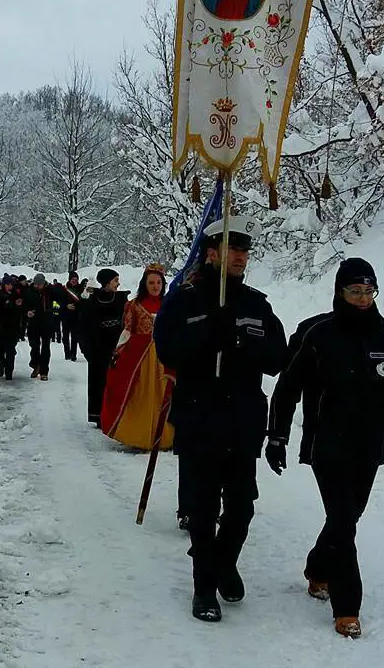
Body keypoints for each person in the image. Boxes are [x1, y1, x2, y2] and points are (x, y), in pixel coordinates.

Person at [266, 258, 384, 639]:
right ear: (340, 292)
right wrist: (277, 435)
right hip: (327, 442)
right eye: (355, 291)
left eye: (369, 291)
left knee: (348, 515)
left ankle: (318, 567)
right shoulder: (318, 334)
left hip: (370, 443)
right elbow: (287, 390)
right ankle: (347, 607)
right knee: (344, 518)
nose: (363, 299)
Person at [154, 216, 288, 624]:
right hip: (199, 417)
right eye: (234, 249)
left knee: (242, 506)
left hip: (242, 421)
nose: (241, 257)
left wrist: (244, 343)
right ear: (211, 253)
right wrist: (206, 335)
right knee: (202, 505)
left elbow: (277, 358)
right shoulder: (184, 300)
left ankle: (224, 562)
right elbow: (167, 351)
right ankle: (203, 587)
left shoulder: (255, 305)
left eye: (245, 250)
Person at [100, 264, 174, 449]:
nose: (155, 286)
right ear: (145, 284)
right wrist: (118, 353)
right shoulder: (133, 305)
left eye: (158, 282)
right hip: (140, 359)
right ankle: (140, 434)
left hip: (165, 357)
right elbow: (127, 331)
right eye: (151, 282)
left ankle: (166, 436)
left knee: (165, 396)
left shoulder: (171, 304)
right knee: (141, 396)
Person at [79, 268, 130, 427]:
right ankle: (99, 415)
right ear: (107, 282)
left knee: (116, 383)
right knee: (99, 383)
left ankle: (117, 414)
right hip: (98, 349)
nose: (118, 283)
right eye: (115, 280)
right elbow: (84, 327)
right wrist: (88, 350)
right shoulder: (92, 302)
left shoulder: (121, 299)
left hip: (117, 348)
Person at [25, 273, 62, 381]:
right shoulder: (29, 291)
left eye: (39, 285)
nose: (37, 286)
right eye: (36, 284)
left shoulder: (50, 291)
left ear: (43, 284)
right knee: (34, 346)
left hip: (47, 322)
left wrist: (54, 311)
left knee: (45, 347)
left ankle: (44, 371)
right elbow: (24, 305)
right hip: (33, 323)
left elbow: (59, 300)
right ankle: (35, 366)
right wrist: (27, 312)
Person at [0, 274, 24, 380]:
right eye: (7, 284)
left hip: (12, 328)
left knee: (10, 351)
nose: (9, 286)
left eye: (10, 284)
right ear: (4, 285)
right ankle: (1, 364)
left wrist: (19, 306)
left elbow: (20, 312)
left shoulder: (16, 295)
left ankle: (9, 373)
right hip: (0, 327)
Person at [61, 270, 83, 361]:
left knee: (75, 337)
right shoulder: (64, 289)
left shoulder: (81, 289)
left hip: (76, 316)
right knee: (65, 336)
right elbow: (58, 302)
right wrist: (66, 306)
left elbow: (82, 302)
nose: (74, 281)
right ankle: (67, 353)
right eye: (73, 279)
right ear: (69, 280)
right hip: (66, 316)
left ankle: (73, 354)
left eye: (76, 279)